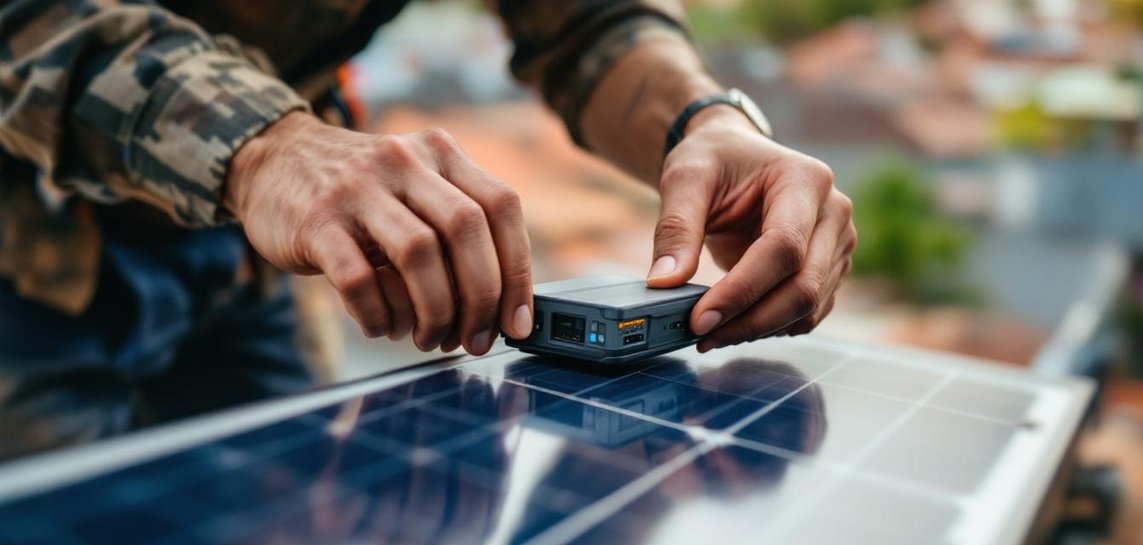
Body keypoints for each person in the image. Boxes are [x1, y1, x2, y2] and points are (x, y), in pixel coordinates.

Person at [0, 0, 857, 456]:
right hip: (31, 248)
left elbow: (592, 21)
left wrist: (709, 122)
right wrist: (265, 149)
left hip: (281, 251)